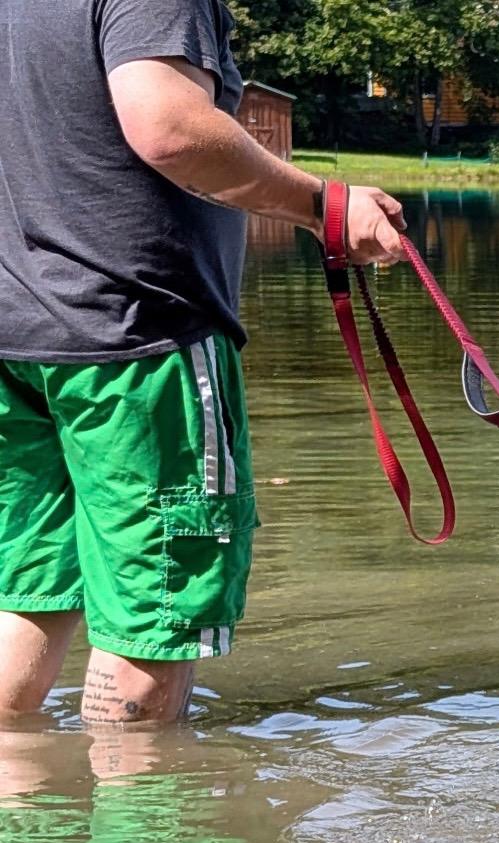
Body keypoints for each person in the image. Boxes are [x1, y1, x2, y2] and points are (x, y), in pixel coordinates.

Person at [0, 0, 405, 724]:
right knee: (153, 610)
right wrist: (323, 205)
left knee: (23, 593)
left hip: (11, 336)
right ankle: (146, 828)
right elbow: (169, 128)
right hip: (132, 334)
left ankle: (23, 823)